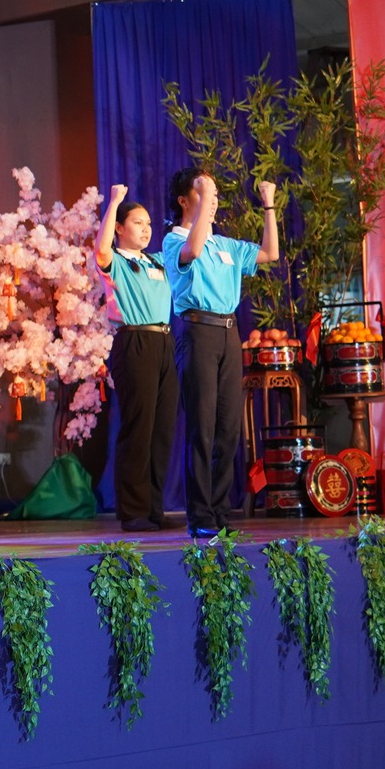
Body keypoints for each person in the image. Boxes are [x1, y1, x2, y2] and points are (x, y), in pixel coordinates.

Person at [162, 169, 280, 539]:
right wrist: (202, 210)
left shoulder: (225, 246)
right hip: (197, 332)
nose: (212, 200)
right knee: (203, 426)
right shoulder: (173, 240)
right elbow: (192, 251)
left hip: (229, 334)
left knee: (228, 428)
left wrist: (268, 205)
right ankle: (199, 515)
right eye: (203, 192)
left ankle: (220, 511)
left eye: (214, 194)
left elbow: (269, 253)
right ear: (184, 201)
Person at [94, 186, 181, 533]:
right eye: (137, 223)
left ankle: (155, 508)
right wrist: (114, 202)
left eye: (148, 223)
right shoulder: (115, 260)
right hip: (134, 341)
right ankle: (133, 511)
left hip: (164, 342)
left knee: (162, 430)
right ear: (119, 227)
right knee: (139, 427)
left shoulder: (158, 260)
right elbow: (100, 250)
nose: (145, 229)